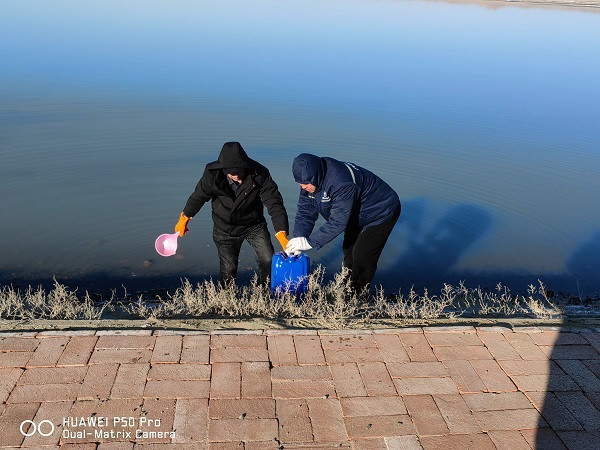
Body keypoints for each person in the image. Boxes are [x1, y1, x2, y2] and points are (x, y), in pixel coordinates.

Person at [176, 142, 289, 286]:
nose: (237, 177)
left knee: (268, 260)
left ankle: (263, 294)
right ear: (223, 169)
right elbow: (198, 197)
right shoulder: (212, 175)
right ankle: (226, 301)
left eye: (239, 172)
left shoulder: (260, 173)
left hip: (254, 225)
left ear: (245, 165)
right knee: (228, 270)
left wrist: (281, 231)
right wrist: (185, 217)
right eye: (232, 173)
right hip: (224, 228)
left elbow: (274, 202)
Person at [286, 153, 401, 293]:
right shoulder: (309, 180)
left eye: (305, 183)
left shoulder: (341, 182)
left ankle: (358, 295)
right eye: (300, 183)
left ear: (316, 176)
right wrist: (300, 237)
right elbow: (306, 212)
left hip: (381, 211)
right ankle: (346, 285)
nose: (303, 187)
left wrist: (310, 242)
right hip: (354, 213)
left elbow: (338, 222)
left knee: (362, 255)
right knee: (348, 250)